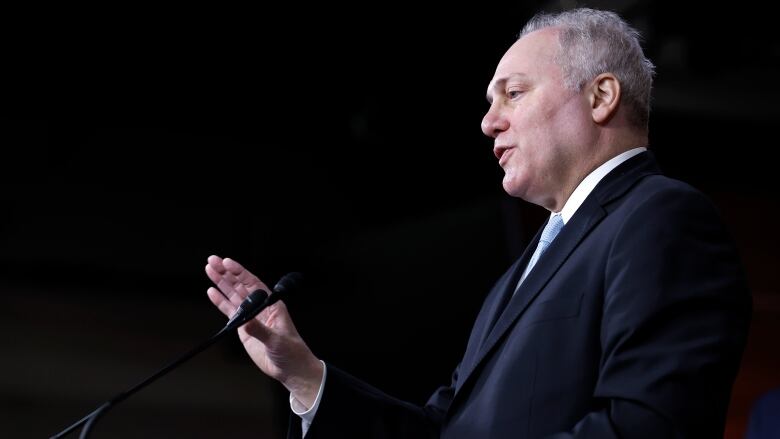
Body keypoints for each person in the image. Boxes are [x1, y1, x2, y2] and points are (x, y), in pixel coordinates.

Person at [205, 8, 751, 438]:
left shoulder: (661, 219)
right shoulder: (522, 271)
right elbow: (443, 431)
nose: (489, 122)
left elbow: (648, 427)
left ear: (601, 96)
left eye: (513, 93)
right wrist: (304, 374)